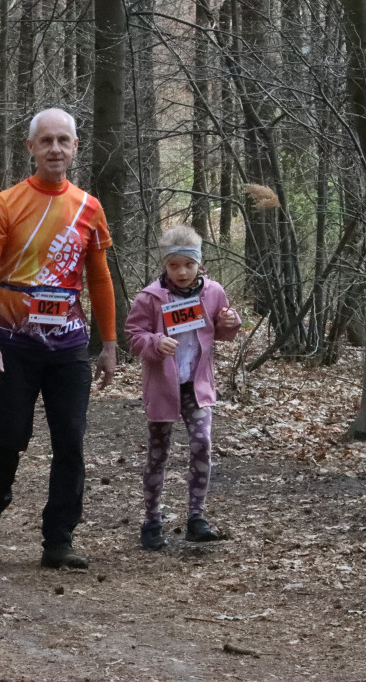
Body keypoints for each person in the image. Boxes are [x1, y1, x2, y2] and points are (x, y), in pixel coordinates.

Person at [0, 107, 117, 570]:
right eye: (47, 141)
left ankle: (59, 538)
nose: (56, 148)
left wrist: (108, 343)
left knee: (70, 441)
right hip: (13, 342)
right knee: (9, 436)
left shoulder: (89, 208)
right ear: (31, 148)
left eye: (64, 140)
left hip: (69, 344)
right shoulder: (6, 203)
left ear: (75, 148)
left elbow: (100, 281)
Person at [124, 225, 241, 551]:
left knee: (202, 442)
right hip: (163, 385)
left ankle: (196, 518)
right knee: (158, 452)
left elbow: (222, 327)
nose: (181, 272)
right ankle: (152, 521)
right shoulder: (150, 297)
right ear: (165, 265)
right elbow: (133, 336)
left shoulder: (213, 292)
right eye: (174, 265)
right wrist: (155, 341)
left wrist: (231, 322)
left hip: (197, 384)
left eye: (188, 265)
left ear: (199, 264)